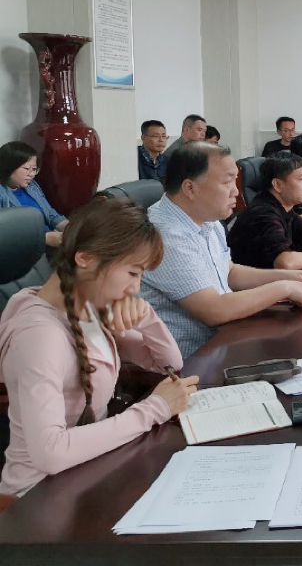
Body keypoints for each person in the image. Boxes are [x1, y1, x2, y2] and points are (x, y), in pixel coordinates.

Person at [0, 196, 198, 498]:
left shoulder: (84, 310)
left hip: (86, 474)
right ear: (86, 259)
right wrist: (155, 409)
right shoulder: (41, 336)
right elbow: (50, 453)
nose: (135, 288)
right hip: (38, 500)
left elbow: (168, 362)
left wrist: (147, 317)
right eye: (133, 273)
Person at [141, 141, 302, 359]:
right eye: (227, 181)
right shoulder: (166, 235)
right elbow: (214, 310)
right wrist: (284, 287)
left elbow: (229, 272)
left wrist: (290, 276)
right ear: (190, 188)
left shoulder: (207, 219)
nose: (236, 191)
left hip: (225, 339)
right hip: (191, 362)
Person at [0, 141, 68, 247]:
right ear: (9, 167)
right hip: (27, 247)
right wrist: (44, 238)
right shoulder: (2, 193)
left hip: (51, 241)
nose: (31, 174)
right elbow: (6, 235)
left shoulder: (32, 186)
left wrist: (69, 228)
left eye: (34, 169)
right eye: (27, 169)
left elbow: (50, 215)